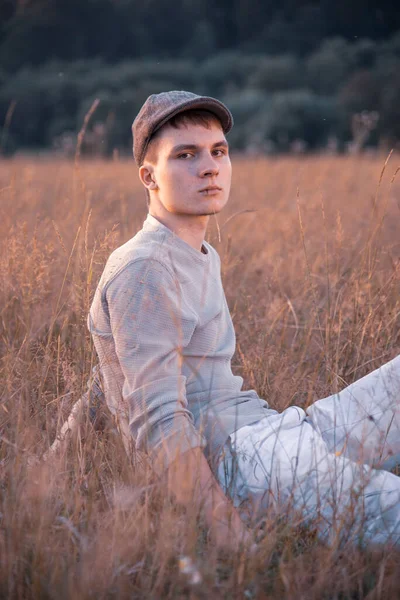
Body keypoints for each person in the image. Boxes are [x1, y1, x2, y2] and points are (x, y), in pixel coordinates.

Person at [85, 90, 400, 552]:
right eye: (186, 155)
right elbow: (157, 418)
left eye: (218, 152)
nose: (209, 167)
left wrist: (57, 454)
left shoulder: (194, 252)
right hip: (246, 460)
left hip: (282, 430)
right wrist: (228, 533)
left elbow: (107, 375)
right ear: (148, 176)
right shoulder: (145, 268)